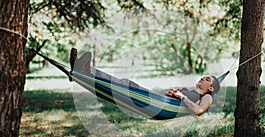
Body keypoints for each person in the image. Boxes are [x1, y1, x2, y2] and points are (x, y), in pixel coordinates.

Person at [70, 48, 220, 116]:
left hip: (156, 106)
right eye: (204, 76)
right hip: (156, 100)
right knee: (124, 84)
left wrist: (181, 96)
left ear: (211, 88)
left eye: (207, 79)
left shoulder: (207, 97)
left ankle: (84, 72)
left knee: (122, 87)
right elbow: (172, 102)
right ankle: (85, 71)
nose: (202, 78)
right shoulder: (189, 90)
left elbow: (199, 111)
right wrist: (172, 94)